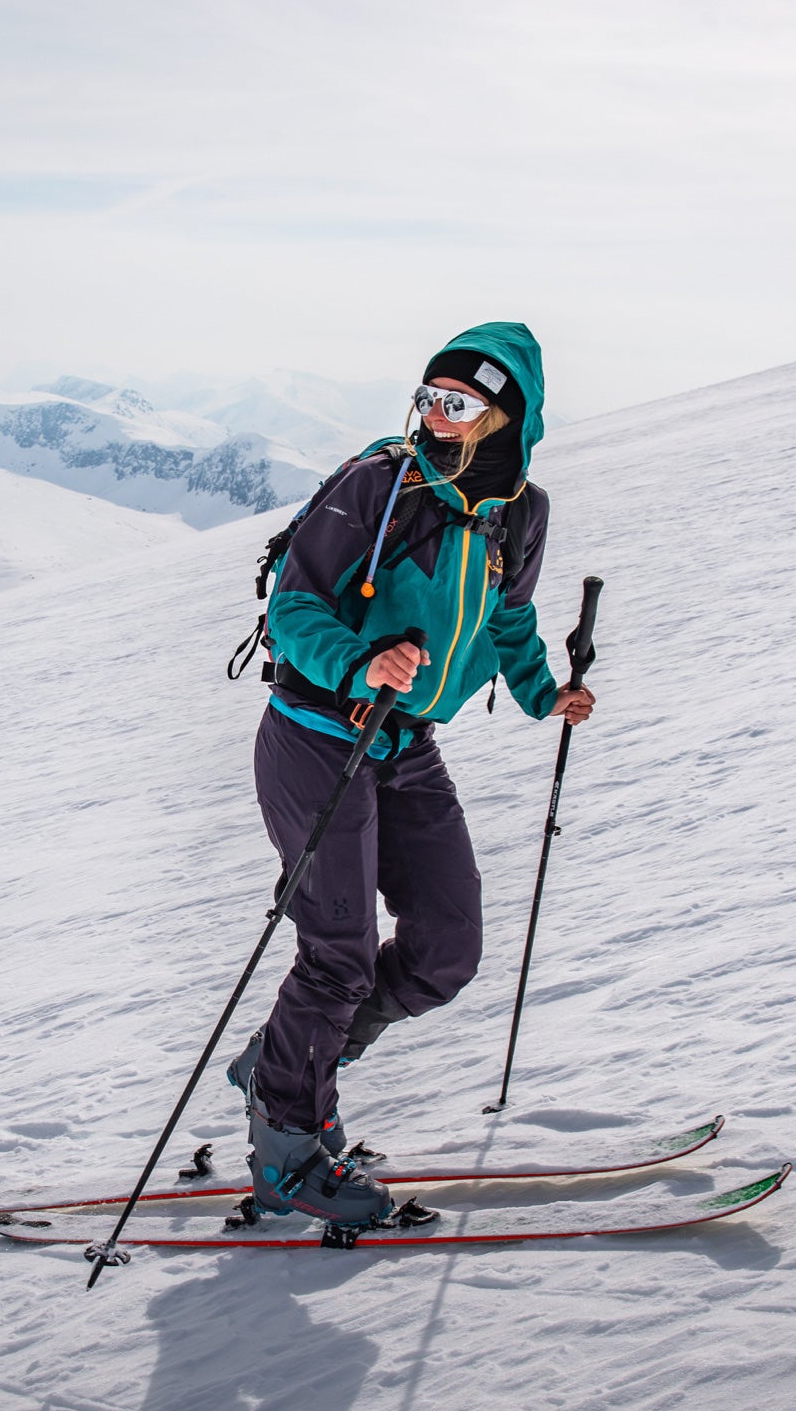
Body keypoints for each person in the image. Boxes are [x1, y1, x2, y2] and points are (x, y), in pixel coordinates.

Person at [226, 323, 595, 1226]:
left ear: (509, 413)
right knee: (338, 957)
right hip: (318, 736)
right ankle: (285, 1148)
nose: (437, 415)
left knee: (447, 948)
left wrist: (545, 695)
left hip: (406, 744)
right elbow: (296, 603)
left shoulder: (519, 509)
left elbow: (507, 620)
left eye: (459, 402)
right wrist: (362, 665)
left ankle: (286, 1060)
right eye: (429, 396)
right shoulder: (377, 486)